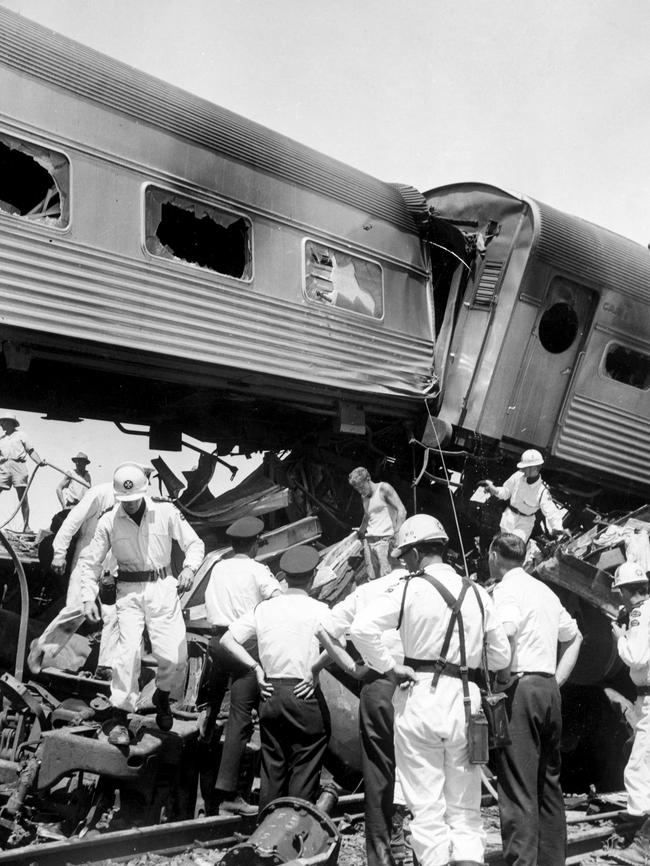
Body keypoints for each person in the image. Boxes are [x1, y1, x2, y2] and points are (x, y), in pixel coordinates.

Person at [351, 514, 511, 866]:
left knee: (426, 810)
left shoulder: (408, 587)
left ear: (418, 552)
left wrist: (390, 666)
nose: (405, 561)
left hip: (420, 700)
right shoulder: (479, 593)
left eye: (406, 554)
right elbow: (501, 656)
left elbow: (361, 628)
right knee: (465, 810)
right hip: (467, 708)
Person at [77, 462, 204, 746]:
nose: (130, 505)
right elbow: (90, 562)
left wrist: (190, 568)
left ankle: (162, 695)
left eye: (134, 500)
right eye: (124, 500)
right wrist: (87, 596)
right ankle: (120, 717)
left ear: (143, 493)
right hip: (128, 591)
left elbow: (195, 545)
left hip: (163, 588)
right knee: (126, 655)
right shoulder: (109, 520)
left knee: (175, 656)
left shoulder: (166, 512)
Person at [220, 545, 339, 814]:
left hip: (271, 694)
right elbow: (338, 646)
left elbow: (228, 639)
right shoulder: (320, 609)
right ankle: (292, 835)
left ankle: (265, 838)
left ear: (284, 577)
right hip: (304, 695)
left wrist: (256, 668)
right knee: (306, 765)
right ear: (313, 577)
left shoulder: (265, 609)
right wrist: (315, 669)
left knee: (272, 767)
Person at [489, 532, 583, 866]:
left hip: (520, 689)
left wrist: (501, 677)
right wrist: (556, 680)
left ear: (494, 556)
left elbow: (507, 631)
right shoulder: (544, 591)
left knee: (517, 787)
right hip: (547, 689)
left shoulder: (506, 589)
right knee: (548, 784)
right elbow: (574, 638)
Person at [317, 562, 409, 866]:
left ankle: (381, 856)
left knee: (378, 773)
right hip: (415, 682)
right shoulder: (420, 588)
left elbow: (324, 629)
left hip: (377, 684)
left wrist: (353, 669)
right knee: (420, 766)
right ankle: (409, 842)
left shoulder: (367, 590)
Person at [199, 516, 282, 816]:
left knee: (212, 713)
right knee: (241, 718)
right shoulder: (259, 570)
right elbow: (278, 599)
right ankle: (229, 793)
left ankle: (206, 781)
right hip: (242, 646)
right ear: (256, 543)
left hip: (215, 643)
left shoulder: (219, 566)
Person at [29, 480, 117, 678]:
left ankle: (104, 668)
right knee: (77, 608)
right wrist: (59, 553)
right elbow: (72, 522)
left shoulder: (139, 500)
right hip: (88, 556)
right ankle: (42, 647)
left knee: (114, 614)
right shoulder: (99, 493)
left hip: (113, 562)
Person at [609, 561, 650, 865]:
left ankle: (641, 841)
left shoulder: (639, 614)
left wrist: (619, 636)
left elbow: (635, 657)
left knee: (638, 768)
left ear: (625, 590)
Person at [480, 449, 565, 543]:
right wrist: (494, 490)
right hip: (509, 518)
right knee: (501, 546)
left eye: (526, 467)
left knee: (514, 547)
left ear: (535, 467)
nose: (522, 469)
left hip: (524, 524)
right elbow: (506, 492)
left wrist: (557, 528)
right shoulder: (518, 476)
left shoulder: (542, 491)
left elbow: (551, 511)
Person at [348, 466, 407, 580]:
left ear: (368, 478)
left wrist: (397, 534)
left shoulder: (384, 488)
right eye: (358, 489)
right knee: (373, 579)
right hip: (369, 543)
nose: (361, 491)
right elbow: (367, 516)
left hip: (385, 542)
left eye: (362, 487)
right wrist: (360, 532)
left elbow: (402, 510)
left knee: (388, 579)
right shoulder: (364, 497)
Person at [0, 412, 45, 532]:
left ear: (10, 422)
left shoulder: (21, 435)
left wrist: (39, 461)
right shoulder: (1, 439)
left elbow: (30, 450)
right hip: (4, 466)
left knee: (23, 497)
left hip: (19, 465)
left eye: (3, 421)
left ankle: (26, 526)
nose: (1, 424)